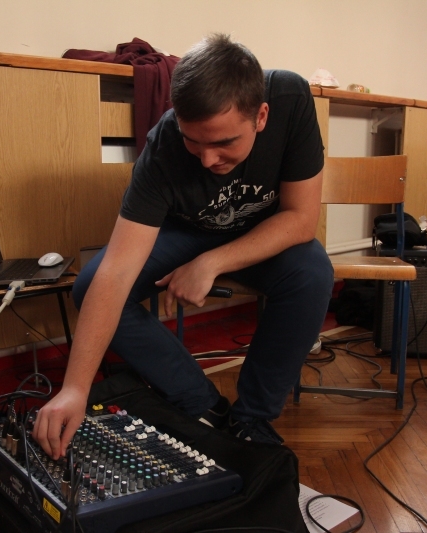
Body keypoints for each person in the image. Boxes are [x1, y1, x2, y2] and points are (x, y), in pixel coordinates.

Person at [33, 33, 334, 458]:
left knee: (313, 273)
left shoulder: (290, 97)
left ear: (261, 116)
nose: (208, 160)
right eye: (195, 142)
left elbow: (301, 219)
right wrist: (74, 388)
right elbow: (117, 271)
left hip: (262, 230)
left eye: (224, 143)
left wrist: (211, 263)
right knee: (89, 287)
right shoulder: (163, 145)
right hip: (187, 232)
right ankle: (202, 404)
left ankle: (252, 419)